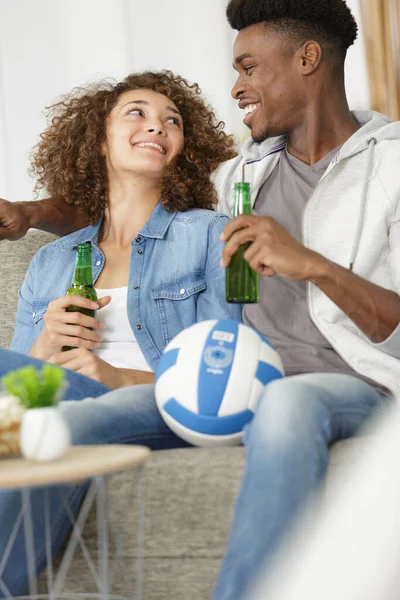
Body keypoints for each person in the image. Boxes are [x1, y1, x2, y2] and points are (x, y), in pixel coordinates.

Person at [0, 0, 399, 599]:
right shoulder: (240, 175)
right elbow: (120, 194)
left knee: (288, 405)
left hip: (356, 387)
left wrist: (312, 265)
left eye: (248, 68)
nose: (235, 87)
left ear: (307, 58)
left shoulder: (392, 165)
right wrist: (32, 214)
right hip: (235, 384)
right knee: (63, 421)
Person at [0, 70, 242, 597]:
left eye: (171, 120)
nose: (156, 125)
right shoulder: (52, 260)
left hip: (150, 404)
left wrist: (114, 376)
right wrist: (43, 346)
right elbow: (11, 388)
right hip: (50, 398)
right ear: (98, 139)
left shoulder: (209, 234)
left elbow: (227, 368)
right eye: (137, 112)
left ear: (184, 146)